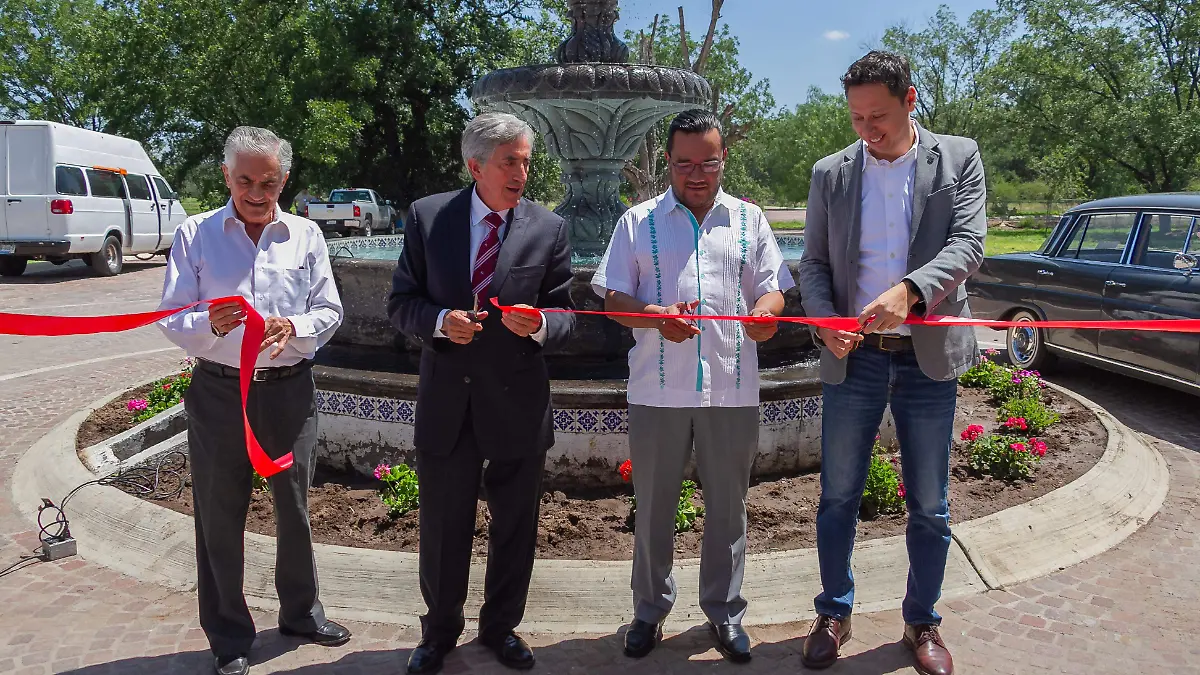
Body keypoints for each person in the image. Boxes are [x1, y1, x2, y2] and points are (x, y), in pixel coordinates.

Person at [796, 51, 987, 675]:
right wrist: (825, 320)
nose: (866, 129)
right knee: (837, 496)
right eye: (855, 117)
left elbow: (969, 245)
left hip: (925, 359)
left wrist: (910, 291)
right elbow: (815, 264)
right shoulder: (830, 173)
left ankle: (922, 622)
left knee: (930, 503)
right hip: (855, 362)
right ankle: (833, 610)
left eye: (877, 115)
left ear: (909, 101)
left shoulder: (958, 158)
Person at [591, 109, 795, 664]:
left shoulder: (751, 221)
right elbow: (612, 301)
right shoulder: (637, 222)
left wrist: (764, 313)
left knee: (729, 505)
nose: (697, 173)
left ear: (723, 159)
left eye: (708, 162)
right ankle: (649, 611)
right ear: (668, 163)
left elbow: (775, 292)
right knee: (653, 506)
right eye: (685, 163)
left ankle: (724, 612)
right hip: (658, 390)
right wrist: (656, 315)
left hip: (731, 387)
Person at [157, 126, 350, 675]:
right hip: (219, 394)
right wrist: (205, 321)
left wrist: (297, 326)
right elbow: (172, 315)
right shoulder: (196, 234)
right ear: (226, 176)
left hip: (290, 394)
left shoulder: (307, 235)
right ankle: (229, 636)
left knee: (295, 509)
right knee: (218, 516)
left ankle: (301, 613)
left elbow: (329, 309)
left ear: (284, 180)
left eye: (269, 182)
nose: (258, 193)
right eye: (245, 180)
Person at [387, 112, 576, 675]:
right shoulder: (428, 218)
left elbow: (568, 315)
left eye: (526, 161)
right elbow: (401, 304)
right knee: (444, 526)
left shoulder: (549, 228)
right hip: (449, 401)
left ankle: (502, 628)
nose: (521, 172)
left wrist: (539, 324)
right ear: (475, 165)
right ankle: (439, 631)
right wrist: (442, 321)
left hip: (517, 401)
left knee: (516, 525)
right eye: (509, 161)